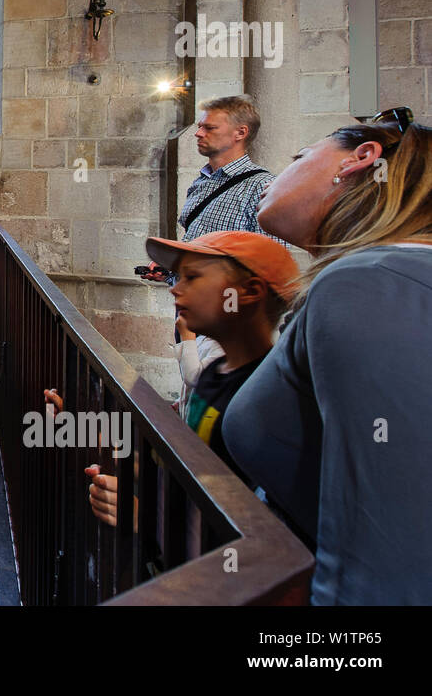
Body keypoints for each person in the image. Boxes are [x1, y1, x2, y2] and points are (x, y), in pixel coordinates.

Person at [224, 107, 432, 605]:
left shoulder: (369, 282)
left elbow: (383, 569)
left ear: (360, 159)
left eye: (300, 156)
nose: (281, 171)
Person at [51, 230, 298, 526]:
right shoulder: (213, 375)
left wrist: (145, 520)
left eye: (192, 278)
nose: (174, 289)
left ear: (248, 292)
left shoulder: (262, 401)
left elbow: (242, 523)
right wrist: (85, 434)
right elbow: (184, 463)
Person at [139, 96, 285, 411]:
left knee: (213, 394)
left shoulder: (259, 188)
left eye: (208, 126)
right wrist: (172, 271)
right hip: (196, 308)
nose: (198, 132)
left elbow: (268, 262)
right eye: (200, 125)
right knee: (195, 392)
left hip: (227, 320)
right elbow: (199, 247)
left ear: (240, 133)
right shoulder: (202, 182)